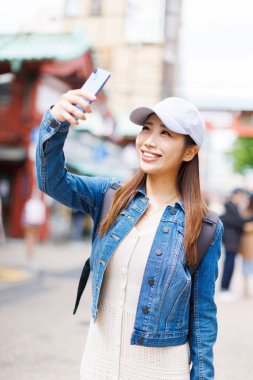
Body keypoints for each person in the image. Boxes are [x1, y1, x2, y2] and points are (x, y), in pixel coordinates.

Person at [36, 89, 223, 380]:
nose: (149, 141)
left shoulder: (204, 226)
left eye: (165, 134)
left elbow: (202, 317)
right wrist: (56, 123)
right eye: (146, 129)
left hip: (160, 372)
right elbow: (52, 180)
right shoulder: (110, 196)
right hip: (98, 365)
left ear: (190, 151)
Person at [220, 188, 252, 300]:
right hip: (230, 240)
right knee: (229, 264)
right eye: (241, 195)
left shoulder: (233, 207)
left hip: (232, 240)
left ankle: (226, 288)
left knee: (231, 264)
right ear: (235, 195)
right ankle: (224, 288)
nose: (242, 198)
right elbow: (239, 221)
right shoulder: (230, 206)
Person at [22, 192, 46, 268]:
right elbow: (42, 217)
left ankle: (29, 254)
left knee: (29, 239)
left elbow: (25, 213)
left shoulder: (29, 203)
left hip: (29, 223)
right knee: (33, 239)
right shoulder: (40, 204)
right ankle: (31, 254)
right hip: (36, 224)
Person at [239, 193, 253, 297]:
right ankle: (246, 289)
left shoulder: (245, 211)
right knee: (246, 266)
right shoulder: (245, 211)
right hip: (247, 243)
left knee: (247, 266)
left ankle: (247, 288)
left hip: (247, 241)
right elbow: (240, 225)